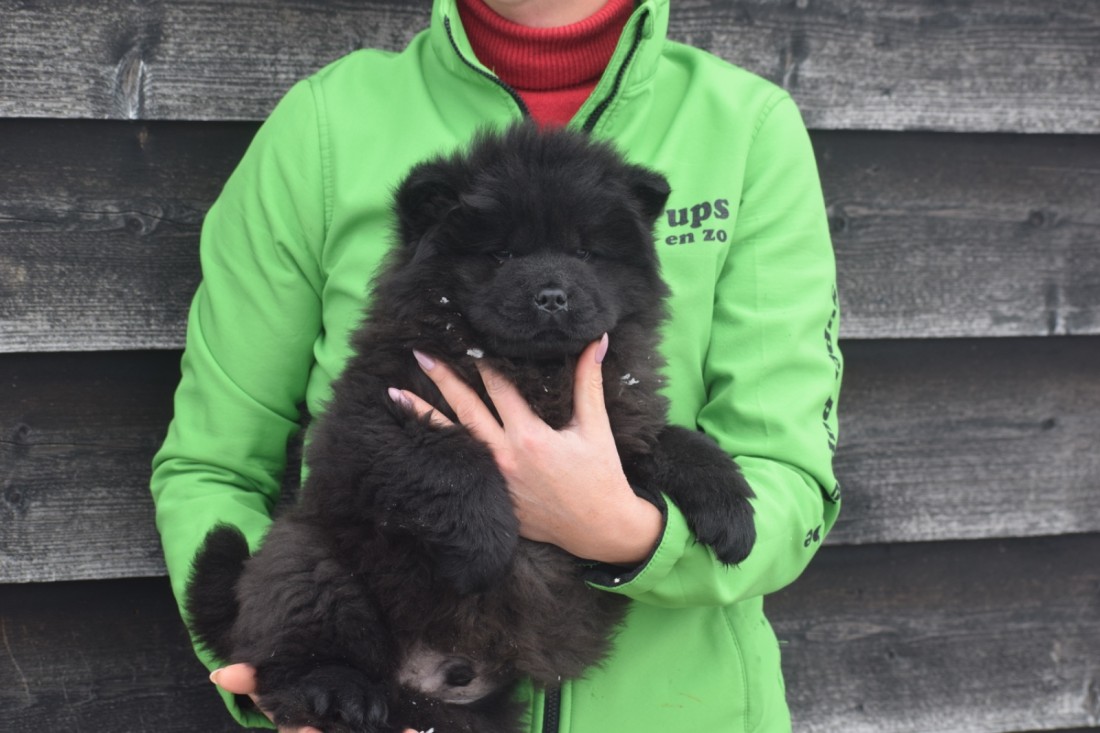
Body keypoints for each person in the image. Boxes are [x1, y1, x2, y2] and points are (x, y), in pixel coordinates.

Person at [150, 0, 843, 730]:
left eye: (583, 254)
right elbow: (214, 465)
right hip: (380, 661)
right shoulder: (325, 127)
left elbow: (787, 479)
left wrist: (630, 533)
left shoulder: (747, 127)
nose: (551, 287)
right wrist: (276, 668)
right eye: (505, 255)